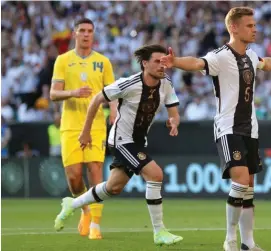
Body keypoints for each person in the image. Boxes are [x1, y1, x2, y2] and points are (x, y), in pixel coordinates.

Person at [161, 7, 271, 251]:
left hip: (251, 129)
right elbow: (197, 63)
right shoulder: (220, 56)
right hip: (228, 127)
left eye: (255, 25)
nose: (255, 29)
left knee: (248, 187)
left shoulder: (250, 55)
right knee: (239, 181)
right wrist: (175, 62)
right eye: (249, 25)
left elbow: (265, 63)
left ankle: (248, 242)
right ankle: (230, 239)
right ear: (234, 28)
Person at [54, 44, 183, 246]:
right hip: (122, 140)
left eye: (164, 61)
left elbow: (174, 112)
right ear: (144, 63)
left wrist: (174, 122)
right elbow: (96, 99)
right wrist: (86, 131)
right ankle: (159, 232)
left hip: (139, 141)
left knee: (113, 187)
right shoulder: (129, 84)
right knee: (155, 174)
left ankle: (72, 203)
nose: (162, 65)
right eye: (157, 61)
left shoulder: (166, 83)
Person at [50, 18, 116, 239]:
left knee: (95, 169)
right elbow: (53, 94)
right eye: (82, 31)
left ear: (93, 34)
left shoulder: (103, 62)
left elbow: (112, 91)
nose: (86, 34)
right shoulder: (63, 60)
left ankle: (96, 224)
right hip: (70, 125)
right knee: (75, 177)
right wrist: (73, 92)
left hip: (97, 124)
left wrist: (114, 111)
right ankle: (85, 209)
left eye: (90, 31)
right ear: (74, 33)